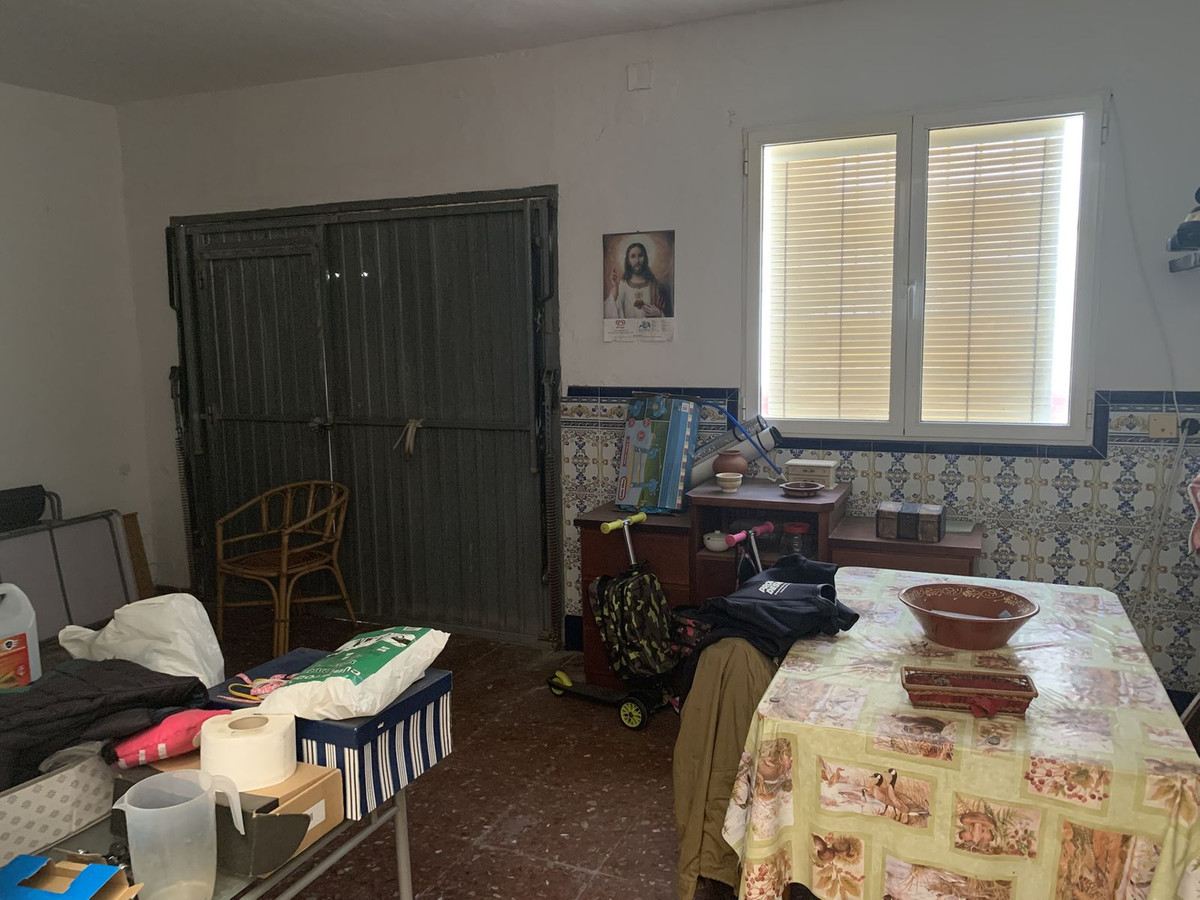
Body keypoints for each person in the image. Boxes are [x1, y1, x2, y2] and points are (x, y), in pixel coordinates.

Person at [605, 241, 672, 319]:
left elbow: (671, 318)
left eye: (640, 256)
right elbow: (611, 314)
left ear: (645, 258)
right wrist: (615, 288)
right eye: (633, 256)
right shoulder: (622, 285)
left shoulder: (657, 286)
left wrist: (660, 314)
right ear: (628, 260)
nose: (637, 261)